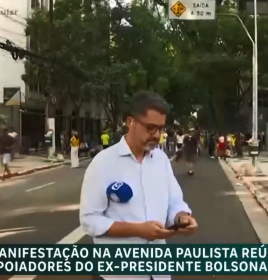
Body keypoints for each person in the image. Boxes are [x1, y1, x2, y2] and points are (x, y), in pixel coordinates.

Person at [80, 91, 197, 280]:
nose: (157, 135)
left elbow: (175, 201)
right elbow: (90, 220)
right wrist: (138, 230)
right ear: (130, 122)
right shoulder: (103, 163)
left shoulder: (161, 160)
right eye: (151, 127)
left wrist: (181, 217)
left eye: (160, 128)